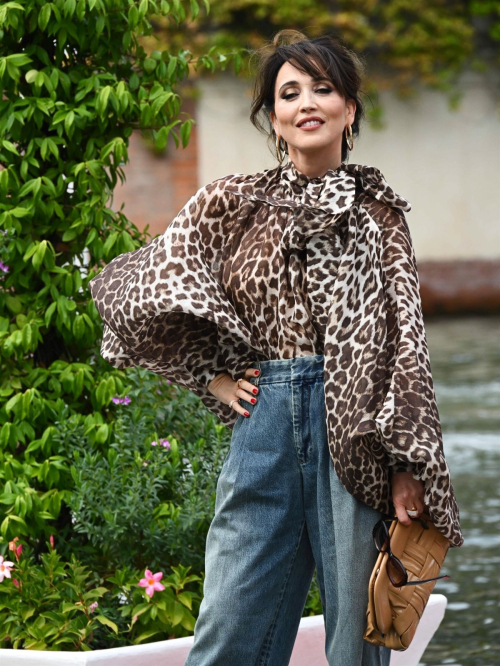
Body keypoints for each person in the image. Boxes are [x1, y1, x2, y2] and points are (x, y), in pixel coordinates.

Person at [89, 29, 463, 666]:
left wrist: (408, 463)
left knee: (357, 641)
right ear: (273, 116)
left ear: (349, 107)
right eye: (290, 92)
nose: (307, 102)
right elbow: (132, 288)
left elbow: (407, 342)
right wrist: (212, 376)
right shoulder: (233, 202)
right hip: (264, 422)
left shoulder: (379, 214)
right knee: (230, 628)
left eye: (324, 87)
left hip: (359, 431)